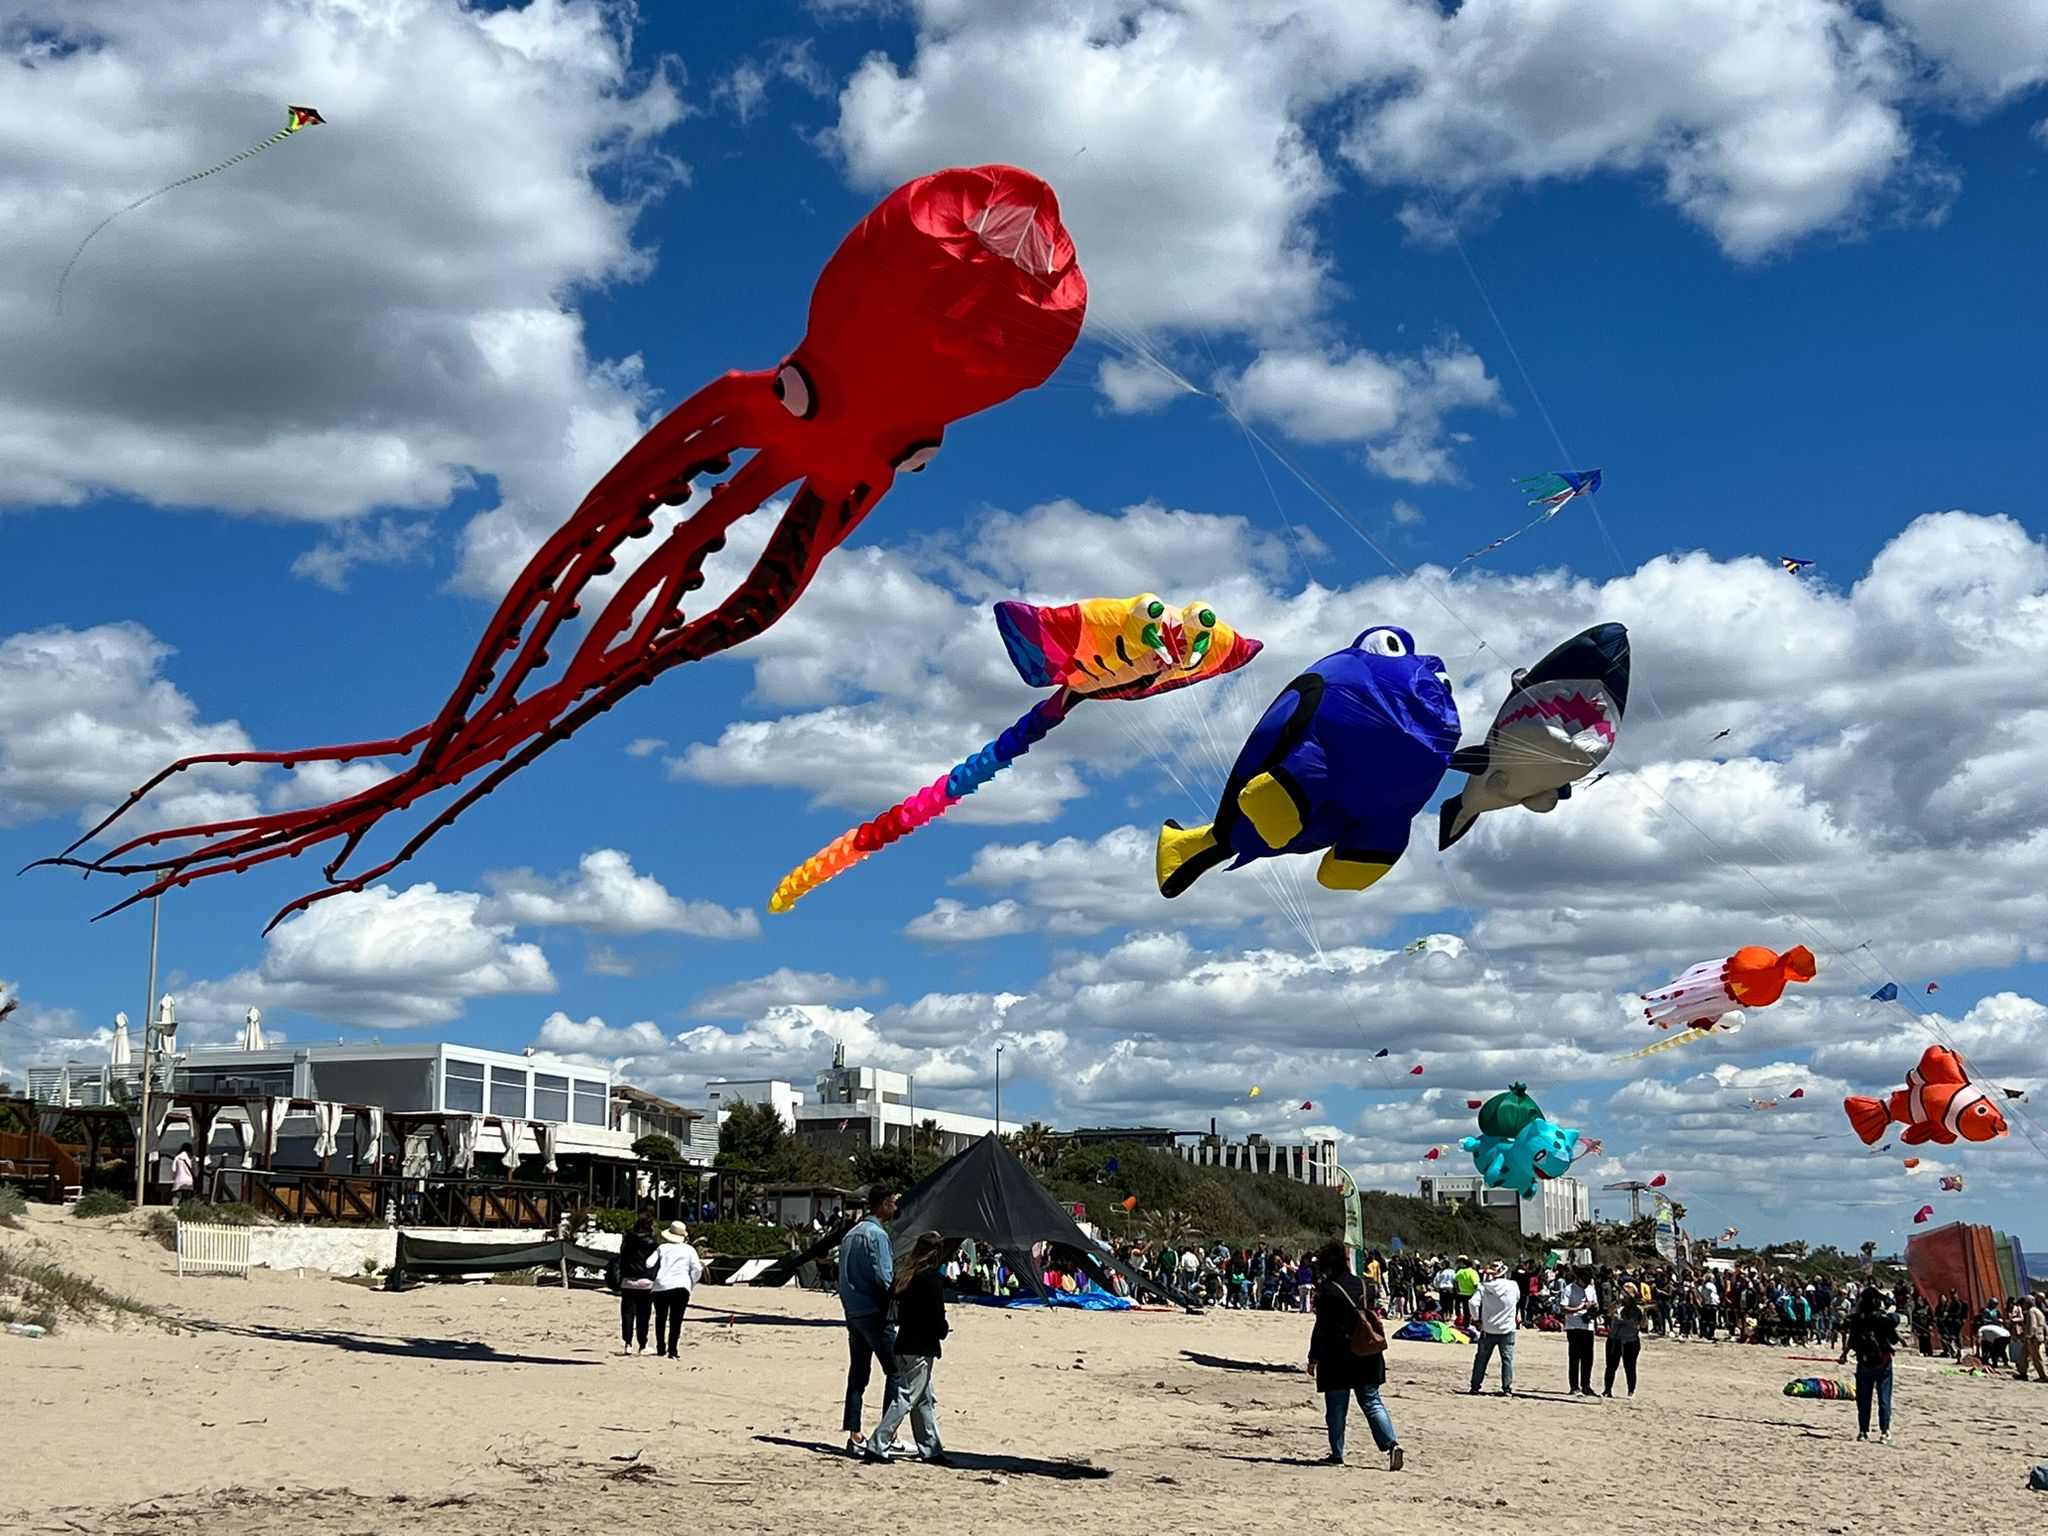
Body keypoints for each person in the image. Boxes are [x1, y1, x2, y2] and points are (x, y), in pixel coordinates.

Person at [1307, 1240, 1403, 1471]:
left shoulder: (1328, 1290)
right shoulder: (1363, 1284)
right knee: (1371, 1401)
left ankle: (1337, 1454)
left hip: (1336, 1354)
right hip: (1366, 1349)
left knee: (1337, 1407)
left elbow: (1322, 1327)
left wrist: (1313, 1358)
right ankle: (1392, 1444)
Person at [865, 1230, 952, 1465]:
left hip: (904, 1342)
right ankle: (877, 1444)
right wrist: (943, 1329)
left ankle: (931, 1449)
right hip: (921, 1346)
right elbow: (935, 1315)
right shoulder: (931, 1279)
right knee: (907, 1397)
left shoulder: (905, 1276)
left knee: (924, 1398)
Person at [839, 1186, 901, 1456]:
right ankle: (888, 1434)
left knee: (858, 1374)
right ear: (884, 1204)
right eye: (893, 1203)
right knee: (896, 1370)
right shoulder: (877, 1235)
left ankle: (854, 1434)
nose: (896, 1208)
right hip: (874, 1312)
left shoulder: (850, 1235)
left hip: (853, 1311)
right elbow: (883, 1277)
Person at [1838, 1285, 1899, 1443]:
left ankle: (1863, 1431)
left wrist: (1844, 1354)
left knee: (1864, 1399)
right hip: (1883, 1362)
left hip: (1864, 1362)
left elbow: (1852, 1341)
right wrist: (1890, 1312)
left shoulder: (1857, 1319)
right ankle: (1885, 1432)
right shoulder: (1882, 1319)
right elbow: (1894, 1339)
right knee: (1884, 1398)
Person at [651, 1219, 702, 1359]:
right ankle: (673, 1349)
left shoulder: (662, 1248)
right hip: (681, 1286)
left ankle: (660, 1347)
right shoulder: (689, 1250)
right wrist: (691, 1282)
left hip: (660, 1286)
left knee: (660, 1317)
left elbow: (649, 1263)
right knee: (676, 1319)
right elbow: (698, 1269)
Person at [1468, 1260, 1519, 1396]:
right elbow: (1516, 1300)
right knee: (1507, 1360)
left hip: (1488, 1328)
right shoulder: (1513, 1285)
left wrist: (1477, 1320)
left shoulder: (1484, 1287)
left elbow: (1472, 1303)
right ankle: (1507, 1388)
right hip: (1507, 1328)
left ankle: (1475, 1386)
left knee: (1481, 1359)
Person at [615, 1209, 659, 1356]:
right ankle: (642, 1345)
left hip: (627, 1281)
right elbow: (654, 1264)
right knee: (643, 1316)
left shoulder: (628, 1240)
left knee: (627, 1314)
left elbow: (621, 1259)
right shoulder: (652, 1243)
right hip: (645, 1282)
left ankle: (627, 1344)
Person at [1562, 1266, 1598, 1394]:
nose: (1586, 1282)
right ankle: (1574, 1386)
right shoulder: (1569, 1289)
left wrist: (1593, 1309)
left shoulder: (1591, 1289)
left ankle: (1586, 1385)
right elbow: (1563, 1309)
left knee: (1588, 1358)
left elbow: (1596, 1305)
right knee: (1574, 1357)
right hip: (1574, 1326)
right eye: (1585, 1280)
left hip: (1588, 1326)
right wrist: (1580, 1308)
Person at [1604, 1289, 1645, 1397]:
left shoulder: (1638, 1310)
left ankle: (1631, 1390)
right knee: (1611, 1366)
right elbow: (1609, 1311)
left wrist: (1644, 1313)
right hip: (1614, 1339)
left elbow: (1643, 1325)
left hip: (1630, 1341)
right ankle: (1607, 1390)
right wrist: (1618, 1301)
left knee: (1630, 1367)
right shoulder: (1617, 1306)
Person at [2018, 1294, 2048, 1382]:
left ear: (2028, 1302)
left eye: (2024, 1303)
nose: (2023, 1305)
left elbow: (2033, 1325)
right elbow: (2044, 1325)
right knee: (2023, 1356)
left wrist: (2028, 1336)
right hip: (2038, 1336)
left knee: (2036, 1358)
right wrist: (2045, 1336)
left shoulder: (2031, 1311)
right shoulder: (2038, 1311)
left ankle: (2043, 1376)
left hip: (2033, 1338)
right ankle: (2023, 1373)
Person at [1453, 1255, 1481, 1324]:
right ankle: (1472, 1323)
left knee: (1466, 1311)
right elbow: (1476, 1284)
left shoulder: (1459, 1271)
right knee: (1472, 1311)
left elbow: (1455, 1281)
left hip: (1461, 1294)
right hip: (1471, 1294)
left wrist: (1457, 1290)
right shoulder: (1473, 1272)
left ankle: (1465, 1323)